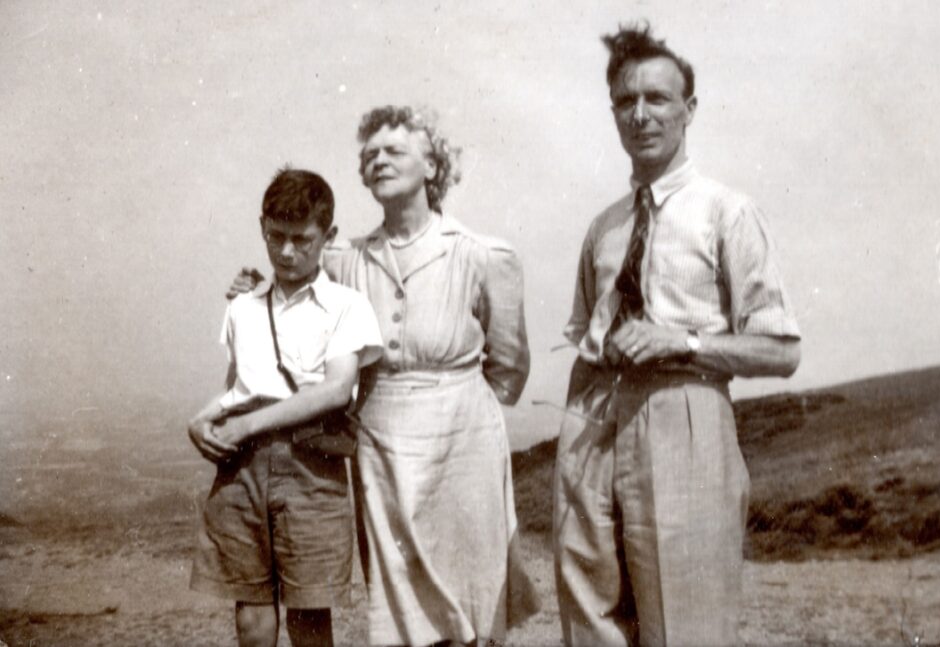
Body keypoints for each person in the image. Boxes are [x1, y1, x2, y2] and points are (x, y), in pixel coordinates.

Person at [230, 106, 535, 646]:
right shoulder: (347, 260)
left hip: (465, 445)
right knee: (399, 606)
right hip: (382, 448)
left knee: (467, 597)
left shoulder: (482, 255)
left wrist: (449, 398)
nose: (378, 160)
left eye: (394, 150)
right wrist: (251, 286)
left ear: (433, 165)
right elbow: (296, 289)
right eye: (369, 153)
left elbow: (509, 369)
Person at [554, 24, 802, 647]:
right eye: (625, 101)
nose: (640, 115)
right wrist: (573, 443)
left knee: (685, 624)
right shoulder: (604, 228)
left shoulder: (726, 212)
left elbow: (782, 350)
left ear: (689, 109)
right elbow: (586, 340)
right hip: (595, 426)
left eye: (658, 99)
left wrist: (684, 342)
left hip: (685, 416)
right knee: (589, 617)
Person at [189, 168, 383, 647]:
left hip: (311, 471)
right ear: (262, 228)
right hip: (242, 470)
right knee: (251, 613)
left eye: (303, 239)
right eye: (276, 237)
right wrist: (200, 419)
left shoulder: (347, 306)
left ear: (327, 236)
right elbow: (241, 386)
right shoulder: (244, 307)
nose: (288, 252)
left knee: (310, 617)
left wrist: (244, 424)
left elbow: (337, 389)